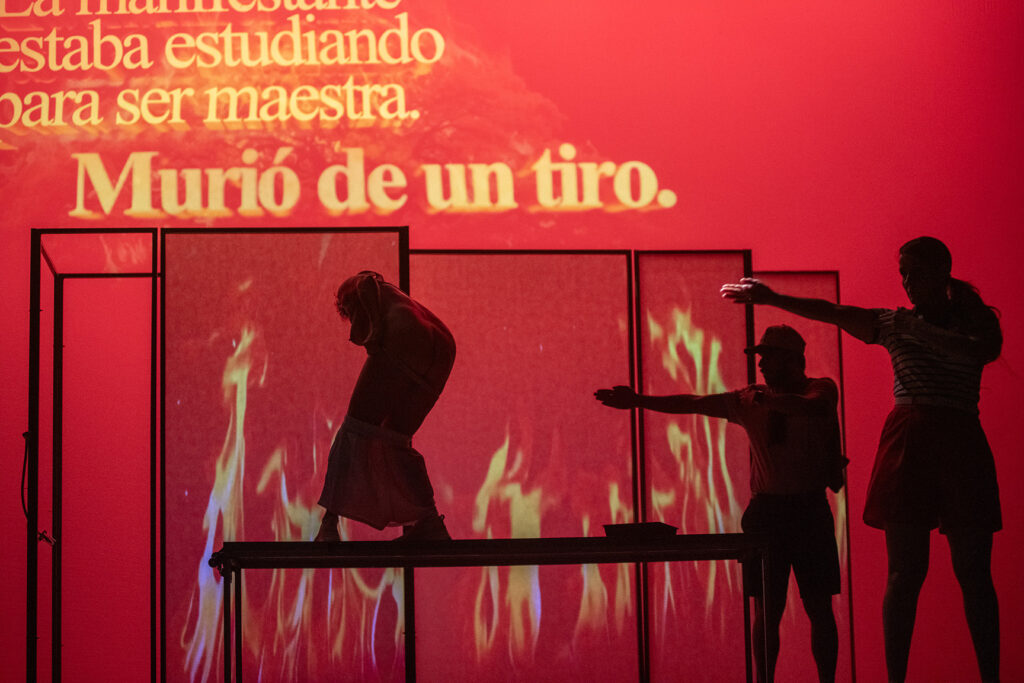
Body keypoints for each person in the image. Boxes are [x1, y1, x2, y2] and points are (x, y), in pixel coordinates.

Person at [721, 236, 1002, 683]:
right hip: (910, 439)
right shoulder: (894, 323)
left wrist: (915, 329)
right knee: (905, 572)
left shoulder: (972, 321)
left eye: (916, 272)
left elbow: (979, 351)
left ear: (942, 271)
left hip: (959, 439)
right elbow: (833, 312)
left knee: (973, 572)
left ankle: (990, 676)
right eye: (903, 273)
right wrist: (773, 297)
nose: (908, 282)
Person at [596, 324, 844, 683]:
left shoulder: (816, 389)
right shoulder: (753, 399)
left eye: (768, 356)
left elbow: (813, 407)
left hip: (807, 511)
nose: (761, 364)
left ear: (791, 359)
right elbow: (694, 403)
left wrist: (765, 401)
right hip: (771, 514)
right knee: (768, 610)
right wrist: (640, 401)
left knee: (818, 608)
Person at [315, 270, 455, 542]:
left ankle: (329, 525)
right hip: (443, 348)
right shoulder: (397, 297)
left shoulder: (363, 284)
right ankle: (429, 523)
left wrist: (375, 334)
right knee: (395, 439)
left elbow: (365, 284)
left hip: (407, 336)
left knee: (353, 429)